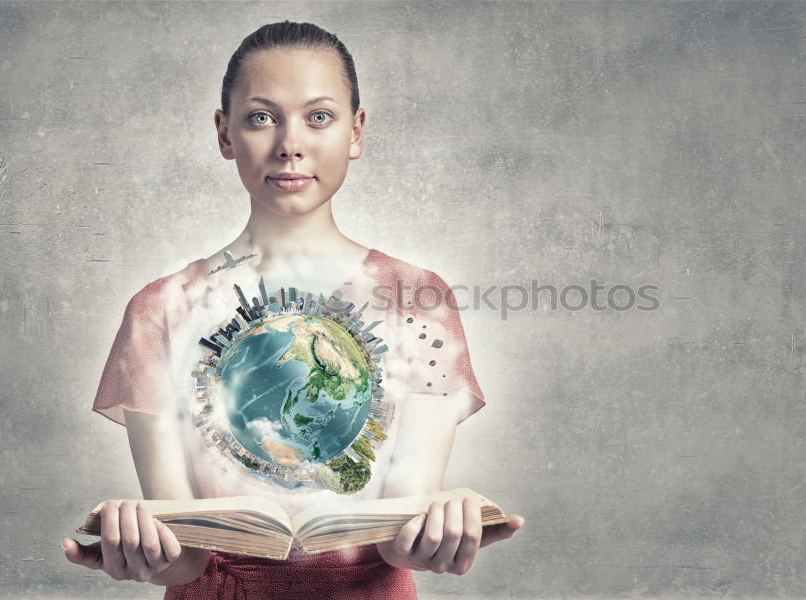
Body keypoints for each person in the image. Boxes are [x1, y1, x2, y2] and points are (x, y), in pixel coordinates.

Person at [60, 21, 524, 599]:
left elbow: (397, 531)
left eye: (319, 116)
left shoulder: (417, 300)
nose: (290, 143)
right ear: (224, 133)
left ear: (356, 131)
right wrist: (143, 549)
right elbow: (184, 556)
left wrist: (440, 527)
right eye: (261, 117)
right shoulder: (161, 311)